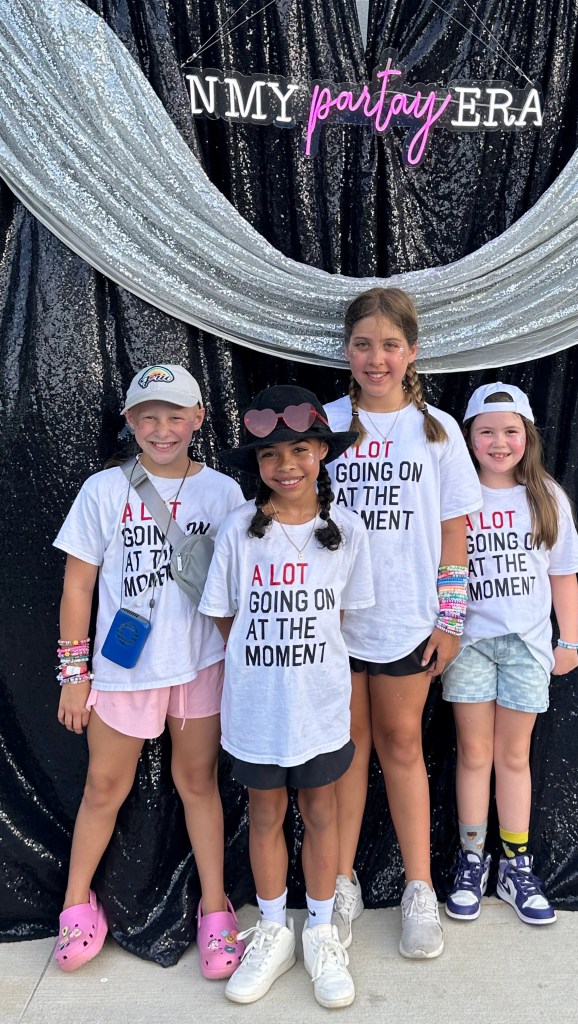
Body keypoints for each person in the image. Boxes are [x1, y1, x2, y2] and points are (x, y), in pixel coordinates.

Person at [53, 364, 246, 977]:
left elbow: (238, 585)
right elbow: (78, 585)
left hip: (200, 664)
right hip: (122, 670)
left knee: (199, 785)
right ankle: (76, 904)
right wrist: (73, 674)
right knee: (103, 788)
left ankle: (214, 909)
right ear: (130, 422)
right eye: (148, 417)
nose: (162, 429)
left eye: (175, 416)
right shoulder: (103, 490)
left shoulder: (223, 492)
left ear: (199, 419)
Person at [199, 385, 374, 1009]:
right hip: (257, 707)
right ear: (257, 463)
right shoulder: (238, 530)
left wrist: (303, 665)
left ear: (323, 451)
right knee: (266, 814)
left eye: (299, 449)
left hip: (320, 706)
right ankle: (274, 929)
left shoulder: (347, 530)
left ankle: (321, 931)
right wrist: (263, 661)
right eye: (270, 454)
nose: (285, 465)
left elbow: (343, 616)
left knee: (322, 812)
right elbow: (225, 614)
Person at [324, 287, 482, 959]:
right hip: (330, 622)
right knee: (343, 751)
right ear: (346, 350)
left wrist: (450, 618)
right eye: (363, 344)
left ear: (412, 351)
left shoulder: (437, 431)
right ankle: (340, 883)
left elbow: (455, 533)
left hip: (405, 619)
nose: (376, 358)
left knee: (400, 743)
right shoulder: (325, 422)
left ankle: (419, 887)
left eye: (390, 345)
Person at [441, 382, 578, 924]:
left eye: (510, 431)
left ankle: (516, 865)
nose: (499, 442)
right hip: (470, 645)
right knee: (474, 754)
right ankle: (472, 859)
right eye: (486, 432)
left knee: (514, 756)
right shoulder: (455, 495)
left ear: (528, 436)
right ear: (468, 437)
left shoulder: (545, 496)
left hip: (527, 646)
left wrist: (568, 639)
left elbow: (563, 574)